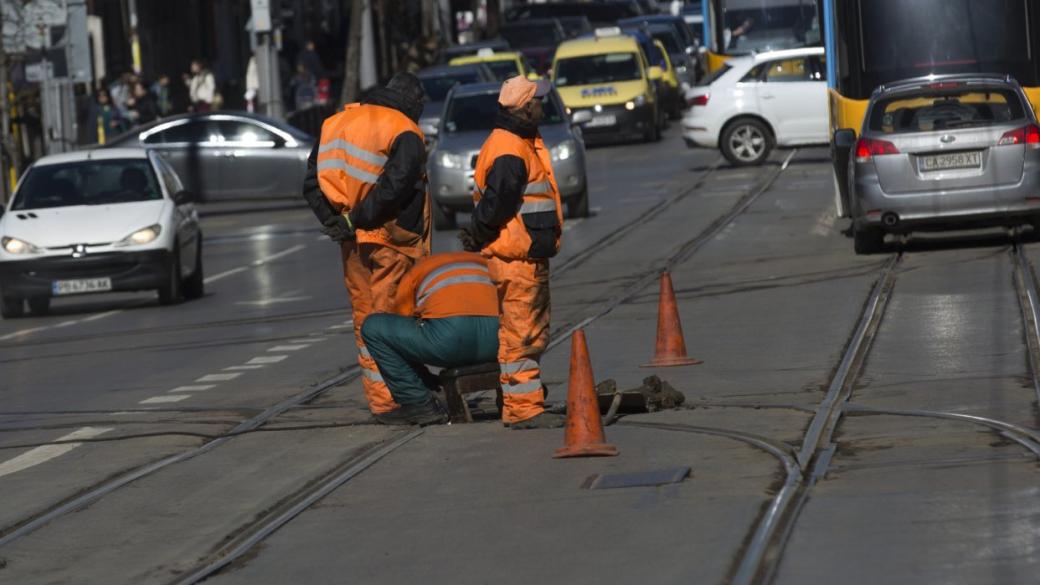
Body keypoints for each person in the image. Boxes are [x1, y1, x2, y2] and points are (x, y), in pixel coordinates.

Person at [301, 72, 431, 422]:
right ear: (415, 102)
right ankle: (406, 398)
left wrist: (338, 222)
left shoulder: (336, 123)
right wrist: (361, 219)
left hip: (352, 244)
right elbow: (398, 184)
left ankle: (383, 401)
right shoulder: (404, 129)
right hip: (391, 240)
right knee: (394, 319)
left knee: (366, 321)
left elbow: (312, 181)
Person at [458, 76, 565, 430]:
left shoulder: (513, 141)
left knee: (513, 335)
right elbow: (497, 203)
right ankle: (524, 409)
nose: (542, 106)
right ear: (524, 107)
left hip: (516, 257)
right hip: (517, 259)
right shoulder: (510, 148)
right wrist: (478, 232)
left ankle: (516, 402)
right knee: (524, 334)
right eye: (538, 101)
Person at [360, 251, 500, 425]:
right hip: (498, 342)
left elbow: (404, 322)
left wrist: (425, 380)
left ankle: (419, 404)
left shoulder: (417, 271)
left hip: (449, 342)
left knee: (374, 327)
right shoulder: (486, 262)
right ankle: (511, 395)